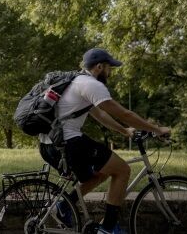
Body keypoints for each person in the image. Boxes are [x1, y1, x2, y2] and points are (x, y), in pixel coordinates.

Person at [38, 48, 171, 234]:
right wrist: (157, 130)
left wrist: (124, 131)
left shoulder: (75, 82)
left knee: (101, 172)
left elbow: (99, 114)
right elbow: (124, 113)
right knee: (122, 170)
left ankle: (63, 206)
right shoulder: (92, 84)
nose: (110, 73)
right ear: (99, 66)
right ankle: (108, 228)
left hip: (49, 145)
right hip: (68, 143)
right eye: (109, 68)